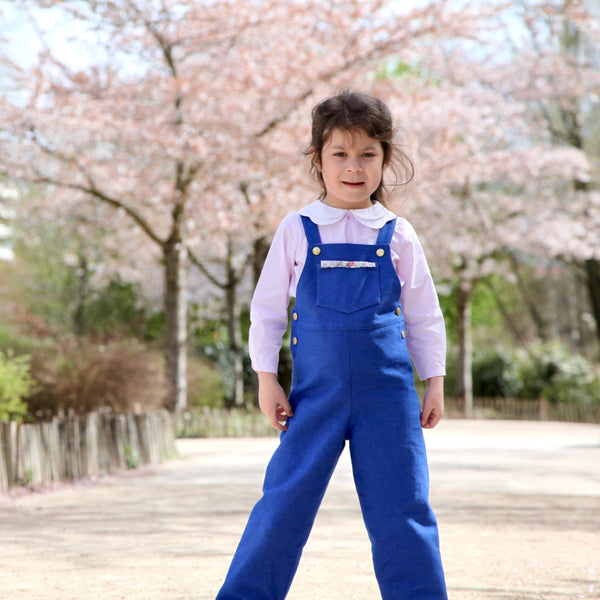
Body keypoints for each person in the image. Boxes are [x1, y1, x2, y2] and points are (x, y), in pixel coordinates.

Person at [215, 90, 448, 600]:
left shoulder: (397, 233)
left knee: (403, 509)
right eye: (339, 153)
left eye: (368, 154)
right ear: (318, 160)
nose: (354, 167)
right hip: (313, 399)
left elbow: (425, 315)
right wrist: (266, 379)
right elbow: (268, 309)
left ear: (386, 159)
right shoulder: (296, 230)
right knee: (283, 504)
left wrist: (434, 382)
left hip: (388, 400)